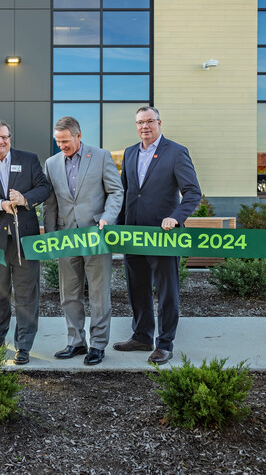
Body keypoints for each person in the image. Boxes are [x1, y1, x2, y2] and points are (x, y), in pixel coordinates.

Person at [114, 106, 201, 364]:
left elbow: (193, 192)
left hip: (164, 235)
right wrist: (119, 227)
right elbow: (126, 193)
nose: (145, 127)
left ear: (159, 123)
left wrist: (177, 216)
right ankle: (142, 336)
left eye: (150, 121)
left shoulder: (175, 152)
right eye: (140, 122)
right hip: (134, 234)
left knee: (167, 291)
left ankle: (164, 343)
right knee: (137, 288)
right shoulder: (130, 153)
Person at [0, 119, 51, 365]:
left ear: (9, 138)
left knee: (26, 293)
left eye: (5, 137)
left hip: (25, 239)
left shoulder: (29, 160)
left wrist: (25, 199)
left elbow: (44, 188)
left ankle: (23, 344)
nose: (1, 141)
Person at [42, 116, 123, 366]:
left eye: (65, 141)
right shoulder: (51, 163)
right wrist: (51, 234)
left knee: (99, 294)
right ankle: (76, 342)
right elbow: (51, 201)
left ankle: (98, 344)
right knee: (69, 294)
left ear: (78, 136)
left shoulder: (100, 157)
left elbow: (115, 191)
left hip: (95, 236)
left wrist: (108, 218)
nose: (62, 146)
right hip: (66, 236)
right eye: (58, 141)